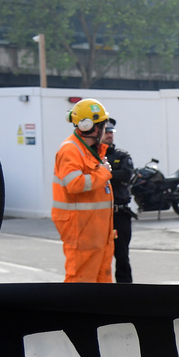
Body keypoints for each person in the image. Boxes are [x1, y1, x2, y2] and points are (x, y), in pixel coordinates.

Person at [52, 98, 114, 283]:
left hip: (95, 231)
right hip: (81, 230)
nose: (105, 130)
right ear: (93, 128)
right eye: (103, 125)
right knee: (80, 283)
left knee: (101, 282)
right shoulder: (71, 150)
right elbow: (75, 184)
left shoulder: (89, 150)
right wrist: (103, 172)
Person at [101, 118, 136, 283]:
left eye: (111, 132)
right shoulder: (92, 156)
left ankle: (125, 291)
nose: (109, 135)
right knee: (100, 257)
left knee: (122, 256)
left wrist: (103, 173)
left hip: (119, 213)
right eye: (106, 132)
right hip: (100, 215)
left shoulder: (122, 155)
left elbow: (126, 174)